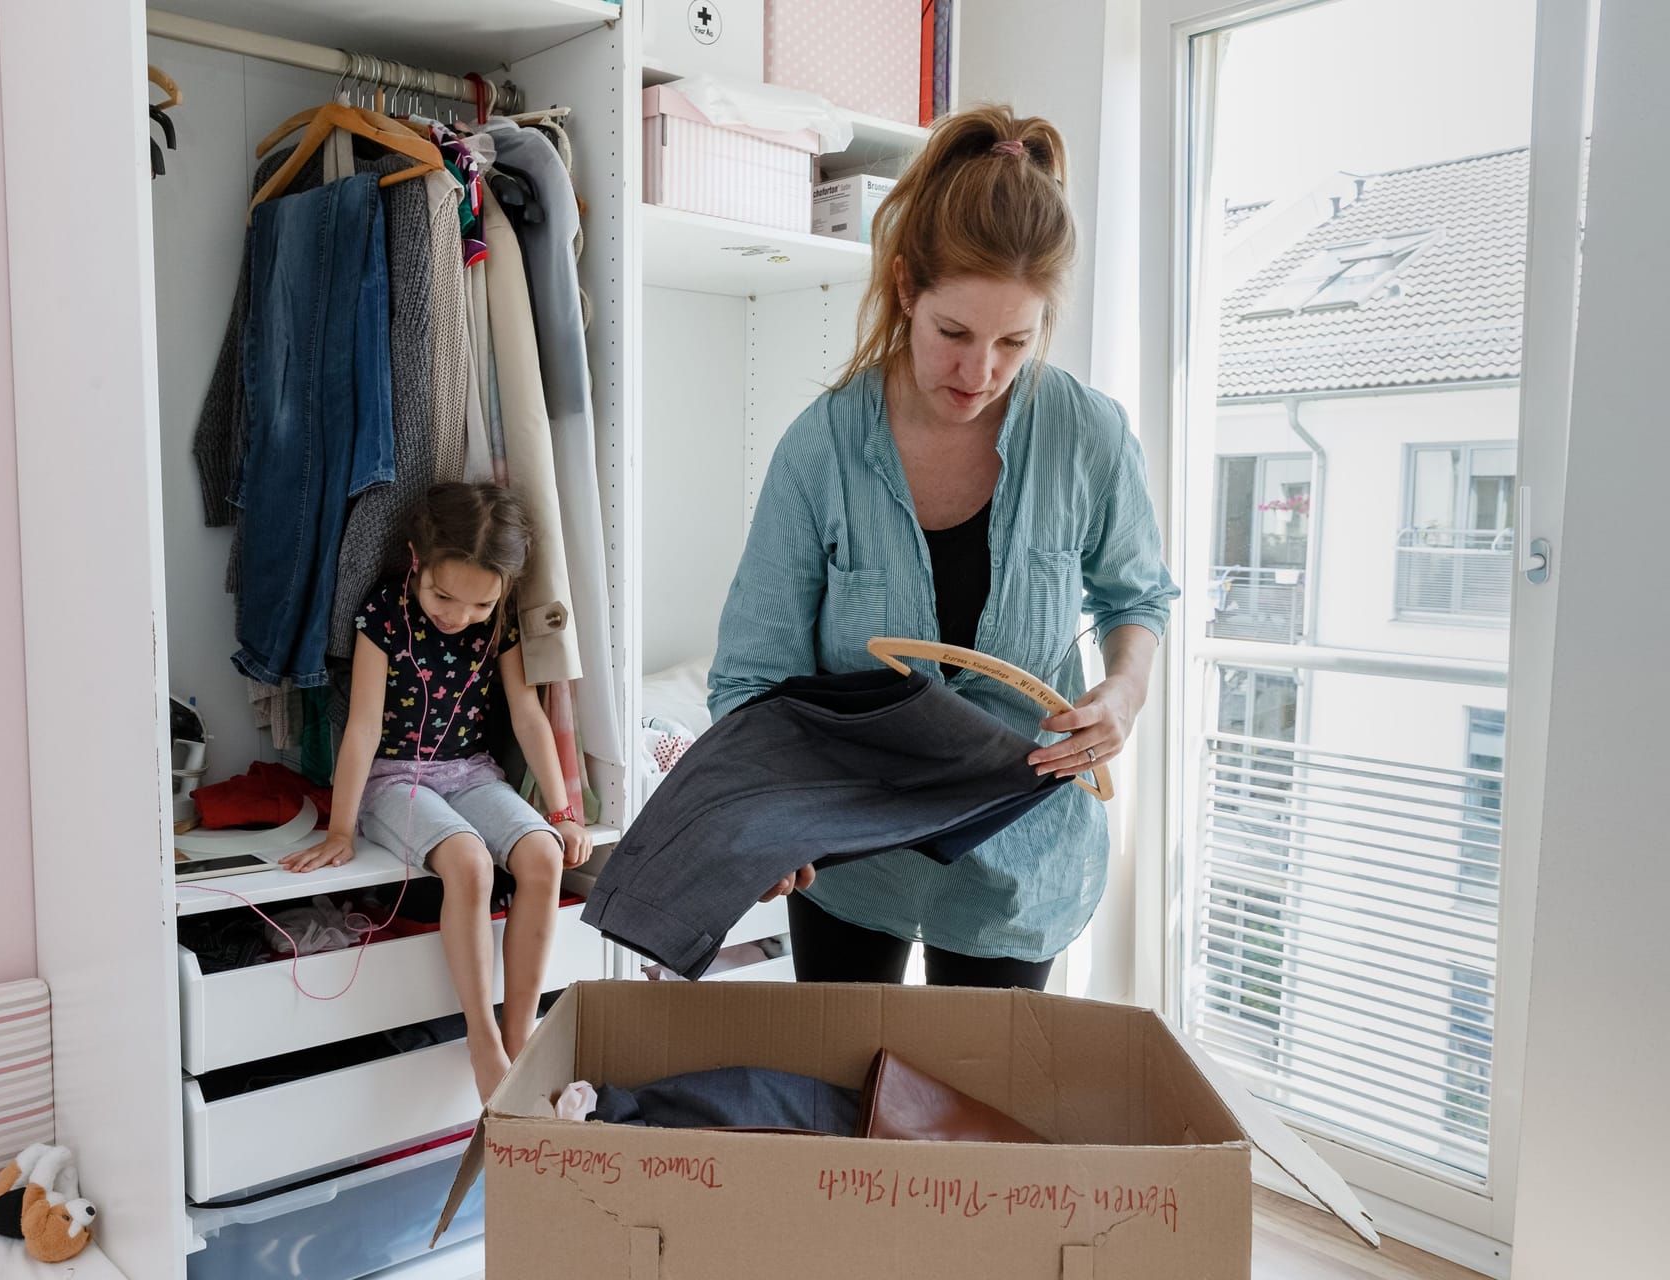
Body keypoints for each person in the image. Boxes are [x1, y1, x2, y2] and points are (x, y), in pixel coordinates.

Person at [707, 105, 1179, 991]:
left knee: (975, 1112)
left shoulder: (1088, 434)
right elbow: (752, 678)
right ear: (905, 289)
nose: (980, 374)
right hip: (847, 840)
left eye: (1015, 341)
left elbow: (1137, 598)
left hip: (1022, 847)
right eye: (953, 334)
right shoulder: (824, 449)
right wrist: (766, 820)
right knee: (846, 1095)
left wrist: (1122, 690)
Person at [283, 482, 593, 1099]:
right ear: (417, 561)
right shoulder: (384, 613)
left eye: (478, 607)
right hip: (394, 776)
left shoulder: (498, 619)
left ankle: (518, 1031)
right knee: (470, 864)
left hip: (471, 769)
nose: (457, 616)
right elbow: (364, 726)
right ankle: (483, 1040)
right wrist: (341, 829)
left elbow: (527, 716)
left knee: (543, 855)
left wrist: (563, 811)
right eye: (443, 596)